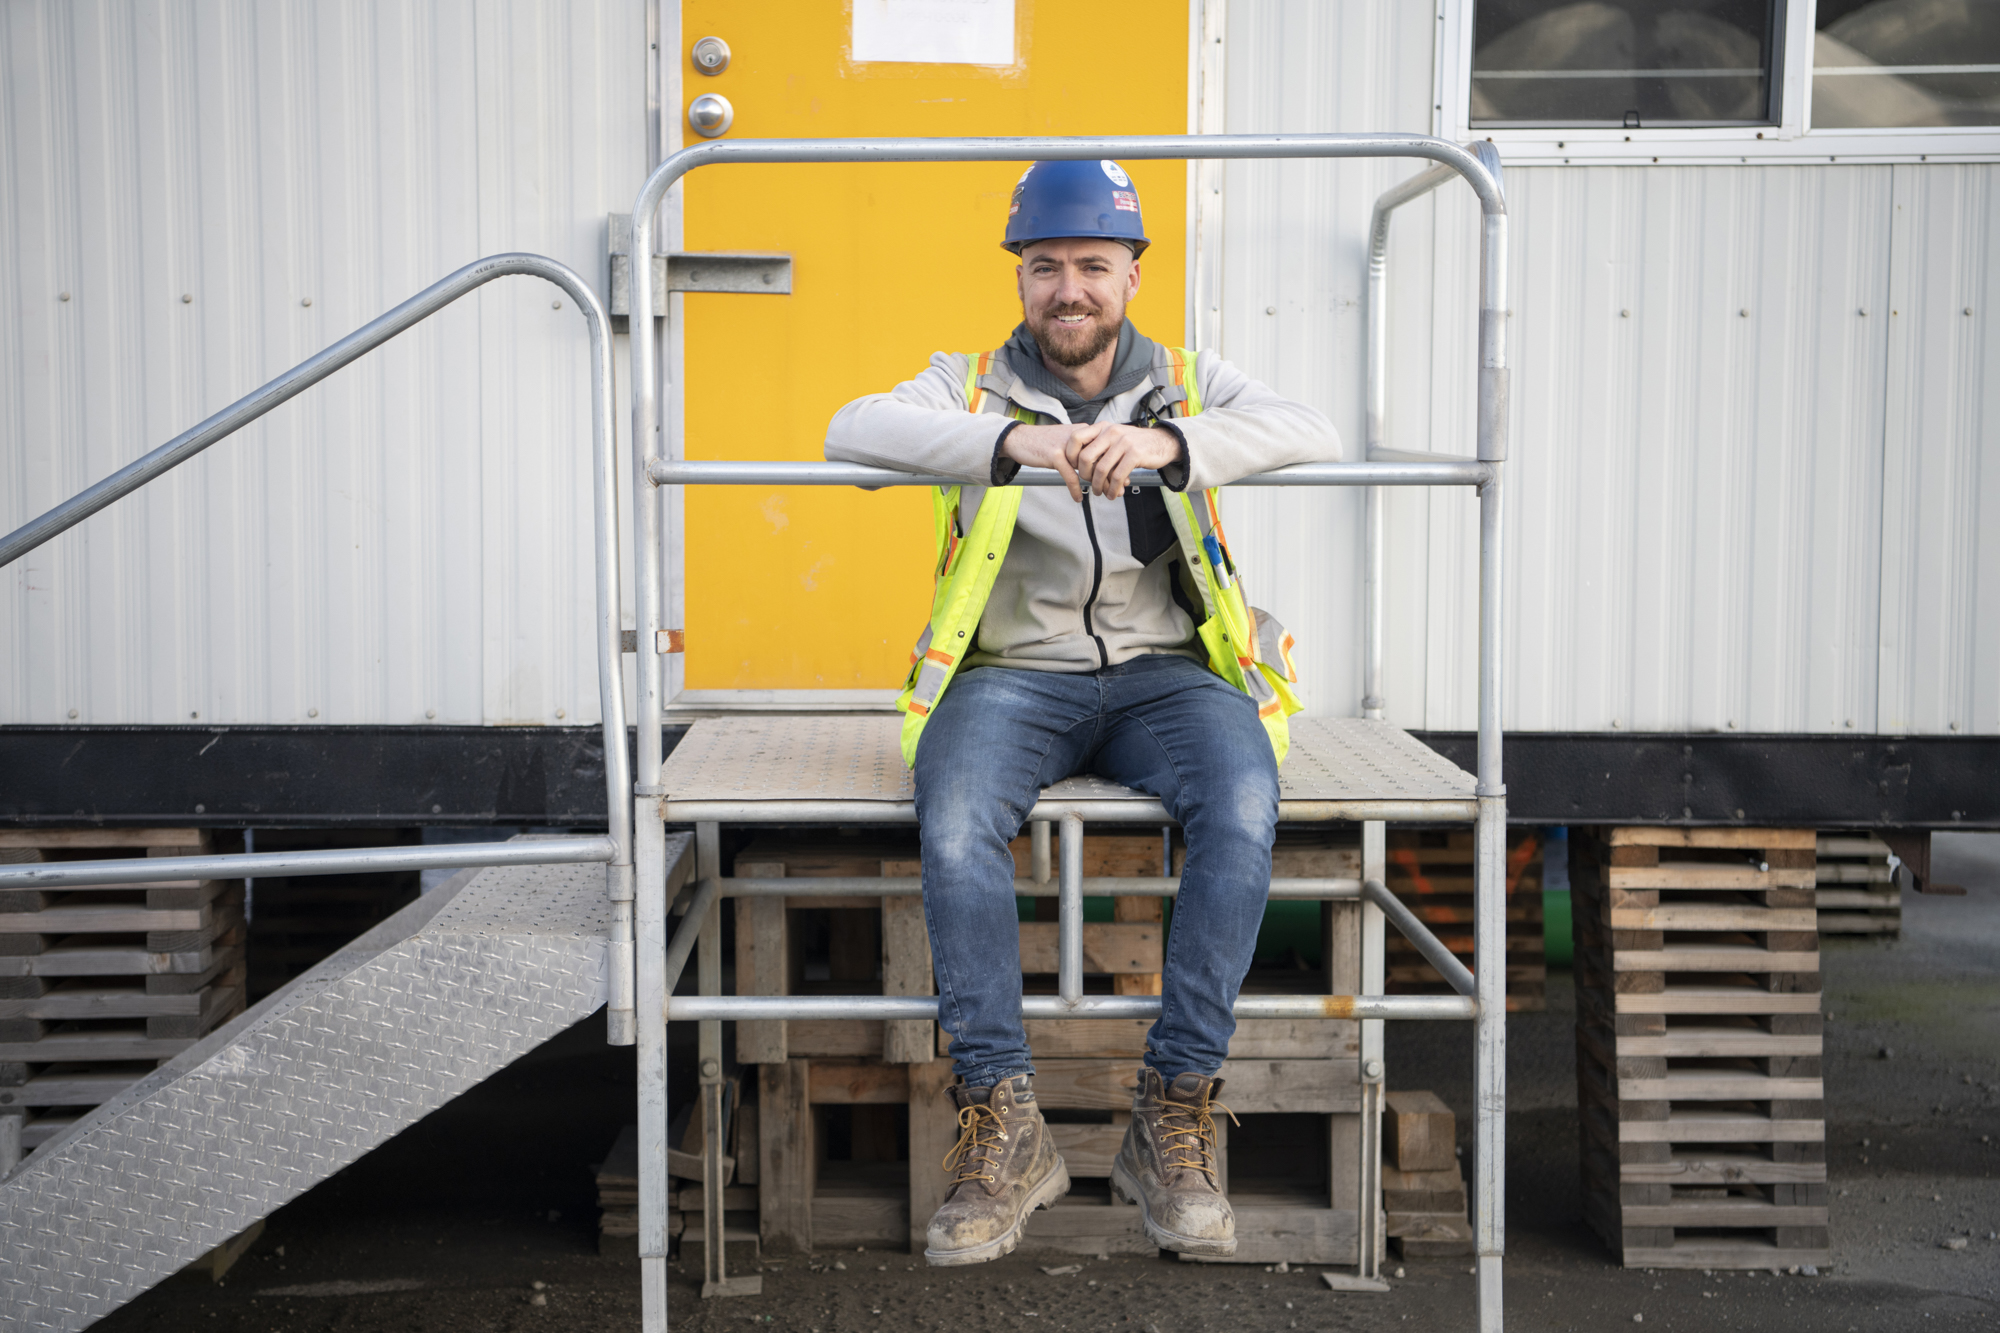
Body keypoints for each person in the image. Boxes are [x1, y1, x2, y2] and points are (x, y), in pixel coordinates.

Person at [824, 159, 1341, 1266]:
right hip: (1012, 676)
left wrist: (1170, 446)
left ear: (1132, 276)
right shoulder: (967, 385)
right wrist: (1015, 444)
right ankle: (1001, 1124)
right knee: (954, 817)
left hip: (1166, 675)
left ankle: (1173, 1114)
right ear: (1019, 277)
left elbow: (1312, 428)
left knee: (1243, 802)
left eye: (1093, 266)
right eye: (1046, 266)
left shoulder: (1188, 380)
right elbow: (849, 432)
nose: (1070, 289)